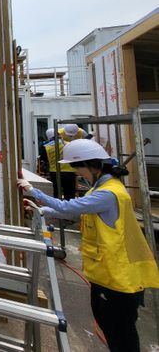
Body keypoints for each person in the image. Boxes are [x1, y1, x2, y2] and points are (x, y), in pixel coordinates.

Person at [18, 139, 159, 351]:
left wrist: (33, 191)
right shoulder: (102, 188)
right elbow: (78, 211)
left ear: (93, 165)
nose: (78, 174)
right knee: (112, 328)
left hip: (120, 278)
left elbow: (70, 206)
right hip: (106, 274)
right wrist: (42, 211)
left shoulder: (109, 194)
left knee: (121, 336)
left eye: (79, 168)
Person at [42, 128, 78, 200]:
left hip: (55, 172)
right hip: (69, 173)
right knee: (70, 194)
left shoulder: (46, 147)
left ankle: (57, 209)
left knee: (56, 193)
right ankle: (70, 209)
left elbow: (44, 159)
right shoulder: (68, 144)